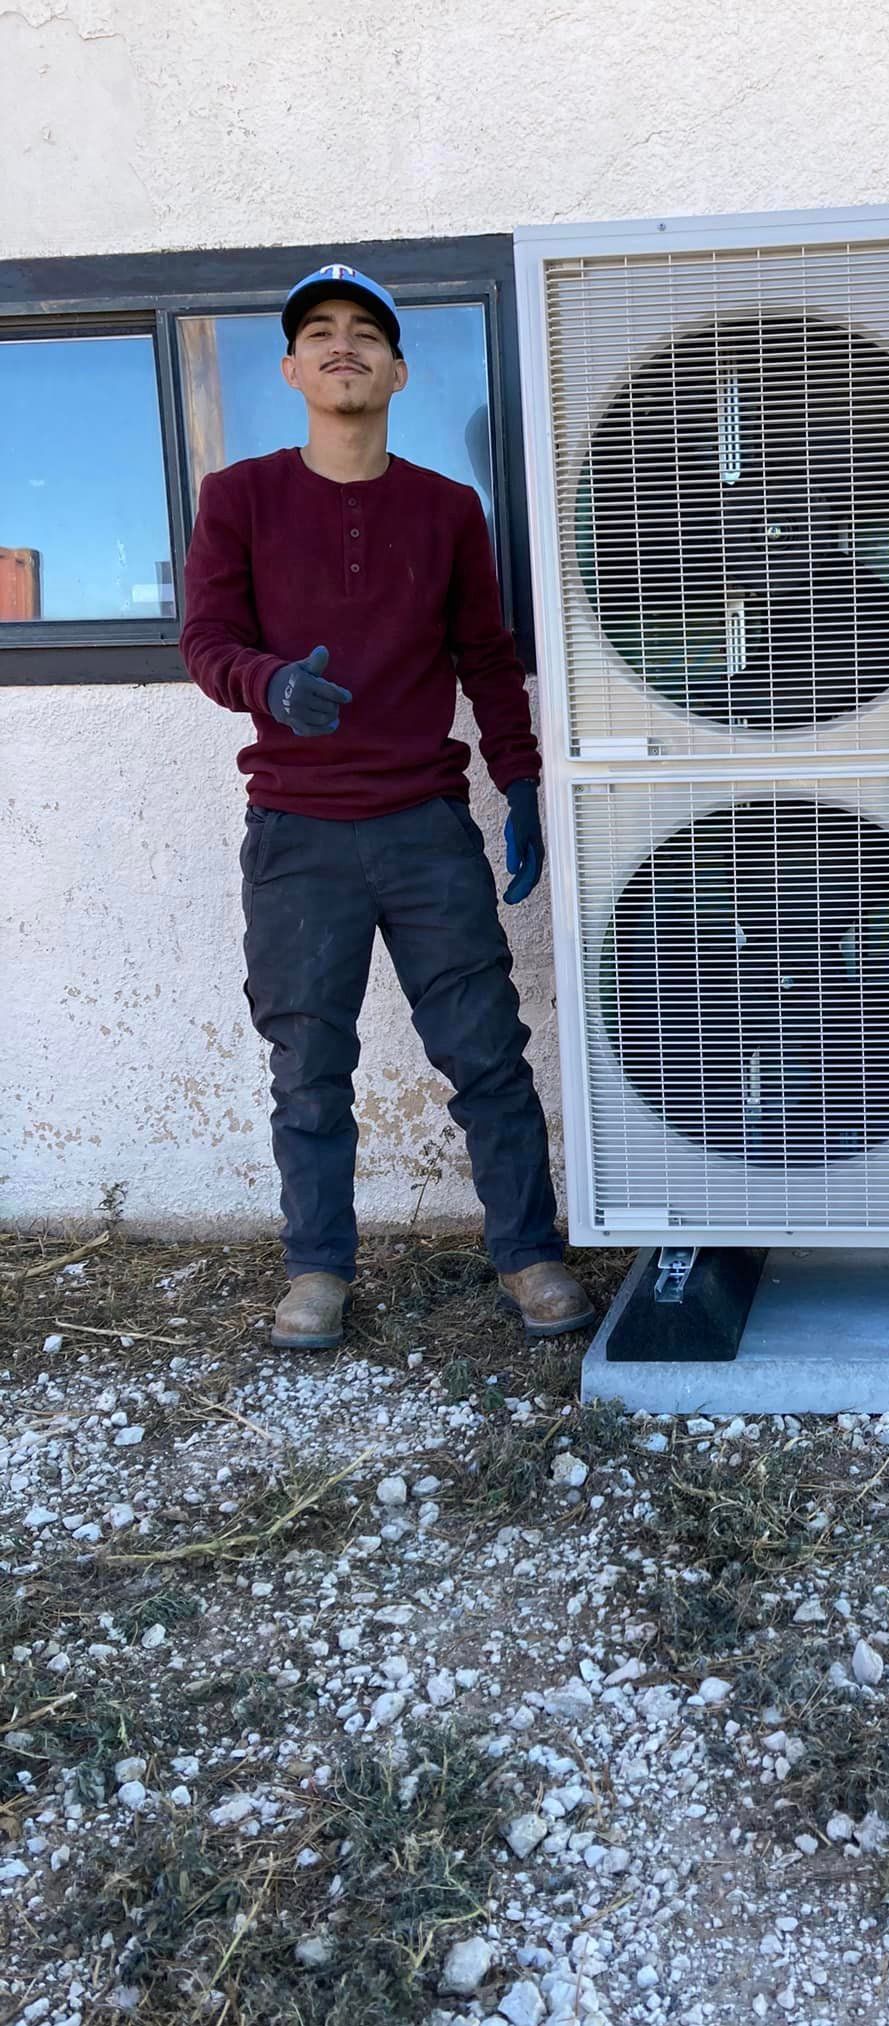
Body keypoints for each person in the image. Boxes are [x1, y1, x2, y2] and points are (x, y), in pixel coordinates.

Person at [180, 262, 594, 1351]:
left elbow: (488, 660)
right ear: (290, 368)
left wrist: (518, 780)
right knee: (308, 1066)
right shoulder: (240, 498)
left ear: (400, 368)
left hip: (423, 827)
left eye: (366, 331)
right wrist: (269, 682)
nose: (343, 344)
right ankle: (317, 1268)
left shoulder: (447, 510)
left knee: (486, 1052)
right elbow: (206, 640)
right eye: (319, 332)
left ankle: (531, 1251)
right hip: (297, 834)